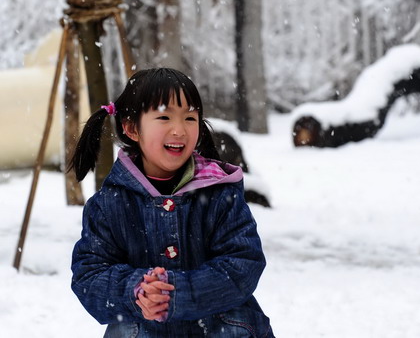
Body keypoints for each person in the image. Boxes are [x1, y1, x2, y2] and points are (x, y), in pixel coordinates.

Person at [69, 68, 274, 337]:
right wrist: (137, 291)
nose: (179, 130)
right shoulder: (109, 204)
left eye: (190, 118)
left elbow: (243, 264)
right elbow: (89, 275)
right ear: (132, 128)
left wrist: (175, 293)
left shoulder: (219, 193)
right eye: (164, 117)